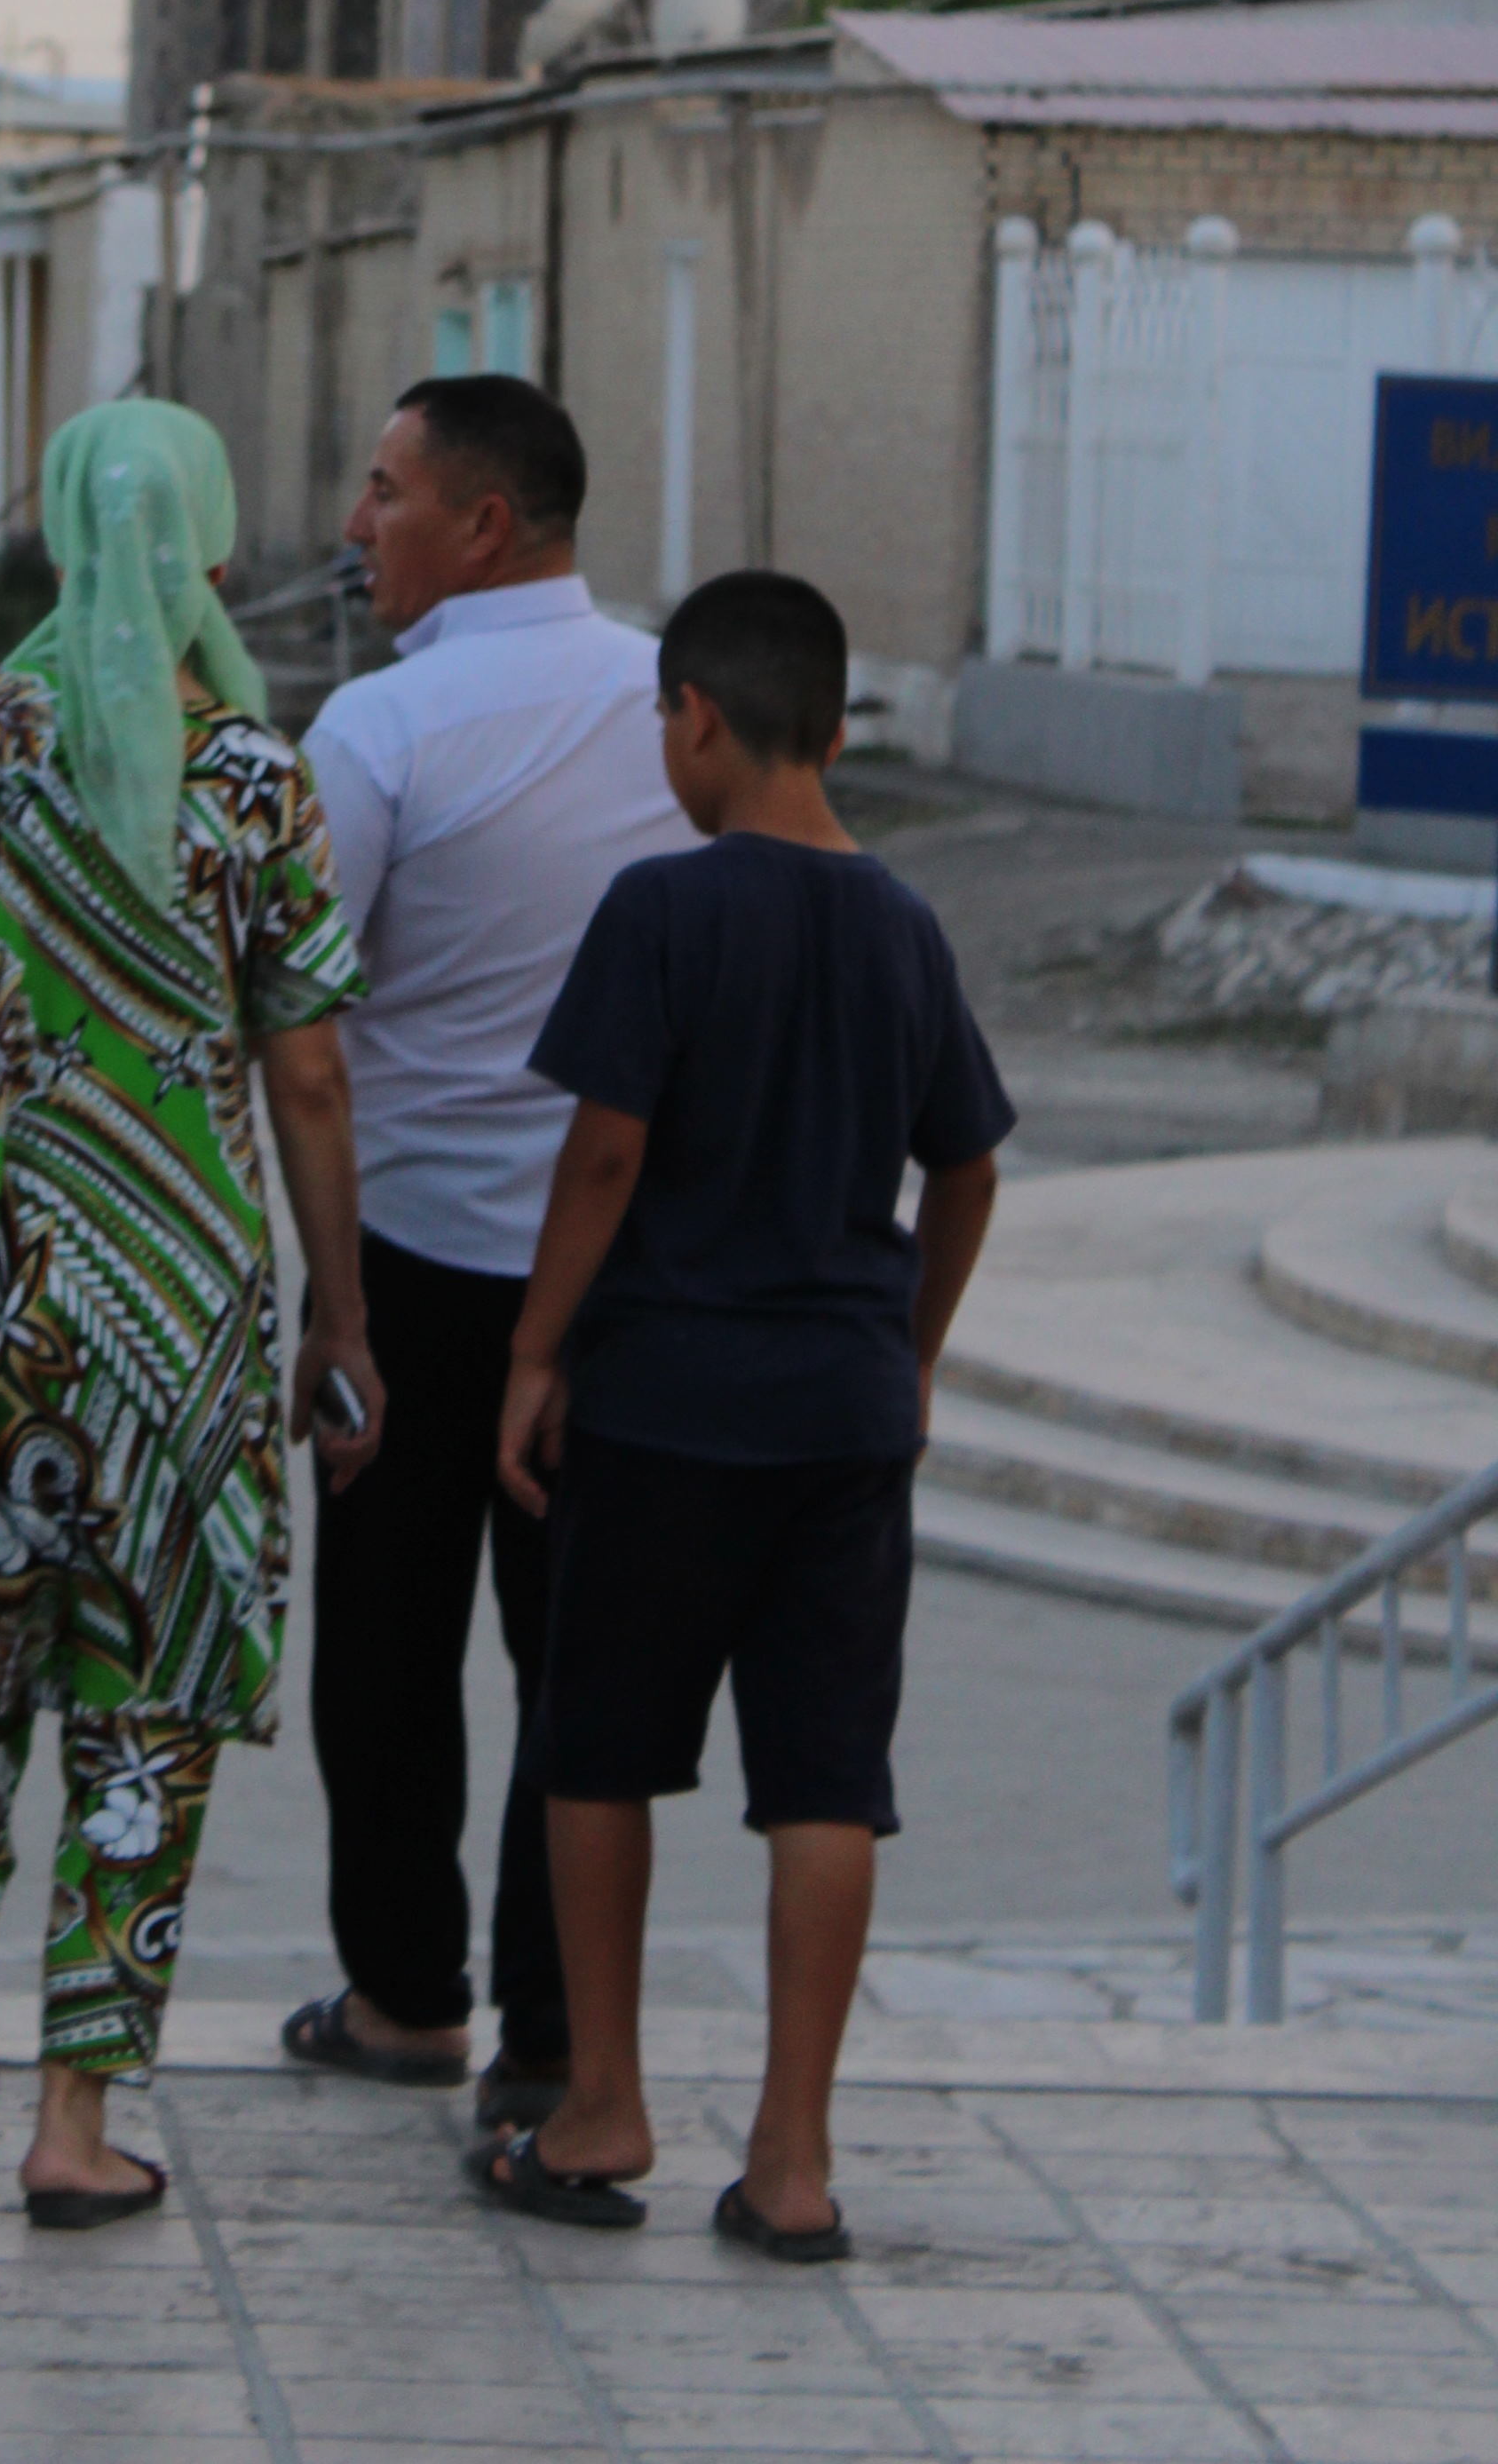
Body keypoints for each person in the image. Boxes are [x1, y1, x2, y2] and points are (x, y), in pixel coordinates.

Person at [0, 400, 383, 2229]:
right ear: (195, 534)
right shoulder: (257, 776)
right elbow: (316, 1078)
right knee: (146, 1703)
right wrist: (339, 1320)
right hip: (172, 1315)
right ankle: (76, 2123)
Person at [482, 568, 1011, 2264]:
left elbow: (608, 1150)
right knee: (827, 1781)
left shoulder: (662, 906)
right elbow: (969, 1157)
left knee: (600, 1749)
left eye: (663, 719)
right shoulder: (906, 921)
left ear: (693, 716)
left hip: (667, 1403)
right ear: (840, 728)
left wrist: (532, 1351)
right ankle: (792, 2158)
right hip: (846, 1413)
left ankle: (604, 2102)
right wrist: (912, 1348)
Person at [284, 377, 692, 2118]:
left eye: (383, 492)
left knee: (386, 1651)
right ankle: (553, 2033)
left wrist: (332, 1308)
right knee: (580, 1662)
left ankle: (404, 1995)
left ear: (485, 524)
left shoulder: (378, 734)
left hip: (413, 1272)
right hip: (621, 1277)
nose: (357, 525)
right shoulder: (684, 700)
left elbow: (300, 1034)